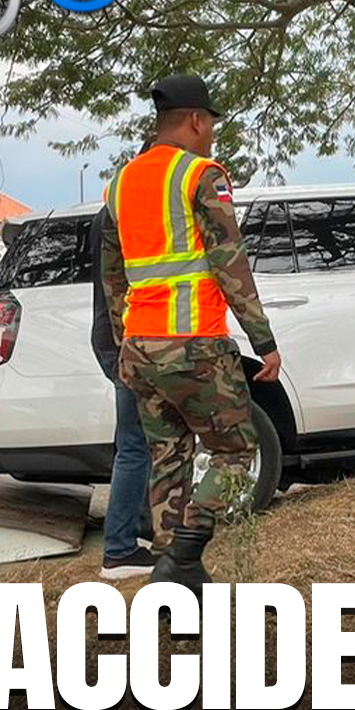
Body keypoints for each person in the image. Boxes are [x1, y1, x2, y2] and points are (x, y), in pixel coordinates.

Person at [99, 75, 280, 593]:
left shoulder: (121, 184)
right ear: (197, 120)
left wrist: (121, 342)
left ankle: (172, 575)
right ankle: (184, 553)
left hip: (141, 349)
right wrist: (262, 340)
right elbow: (230, 262)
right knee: (237, 450)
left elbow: (112, 275)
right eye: (212, 125)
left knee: (168, 457)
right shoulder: (200, 175)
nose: (212, 136)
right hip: (195, 346)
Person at [88, 163, 156, 580]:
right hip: (126, 339)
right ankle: (119, 550)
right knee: (135, 444)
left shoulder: (110, 206)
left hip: (117, 337)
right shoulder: (127, 208)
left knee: (142, 441)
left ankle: (143, 529)